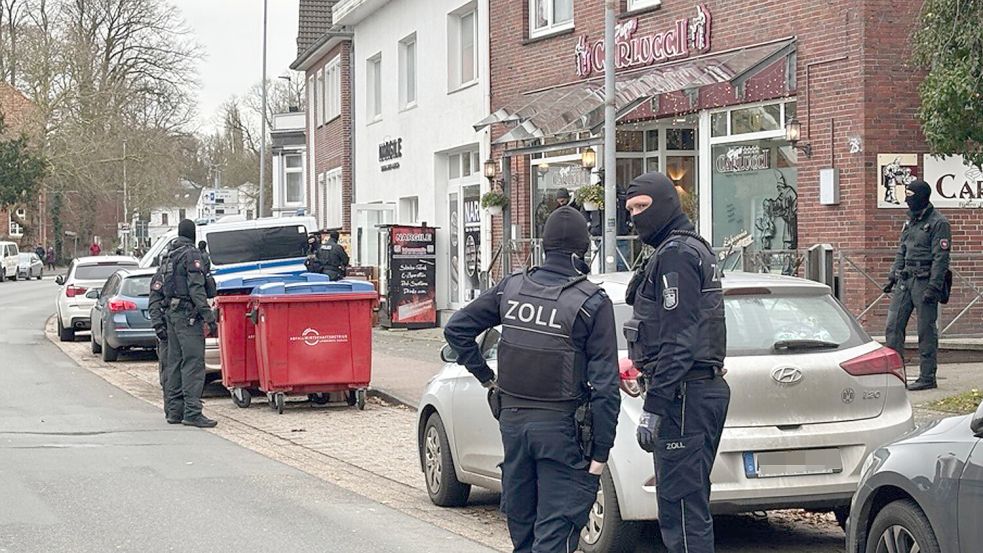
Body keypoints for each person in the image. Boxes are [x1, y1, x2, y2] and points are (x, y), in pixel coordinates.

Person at [444, 206, 621, 553]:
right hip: (562, 431)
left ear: (545, 245)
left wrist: (486, 378)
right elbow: (605, 387)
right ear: (583, 250)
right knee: (555, 536)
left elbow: (457, 330)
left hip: (513, 426)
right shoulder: (591, 303)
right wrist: (600, 453)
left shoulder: (511, 288)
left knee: (523, 536)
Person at [623, 172, 729, 553]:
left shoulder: (676, 256)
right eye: (630, 209)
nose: (635, 217)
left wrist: (655, 405)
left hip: (685, 395)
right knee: (687, 500)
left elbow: (680, 342)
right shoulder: (691, 248)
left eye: (642, 207)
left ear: (666, 203)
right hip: (696, 389)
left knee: (681, 509)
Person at [884, 179, 951, 391]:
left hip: (924, 280)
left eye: (911, 195)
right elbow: (902, 249)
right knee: (893, 327)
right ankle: (895, 376)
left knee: (926, 331)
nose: (907, 199)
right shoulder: (910, 221)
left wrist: (934, 287)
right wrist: (893, 275)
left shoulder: (939, 223)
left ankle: (927, 376)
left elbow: (941, 259)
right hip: (905, 279)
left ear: (922, 197)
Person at [161, 220, 218, 428]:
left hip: (172, 314)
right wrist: (209, 316)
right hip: (188, 315)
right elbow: (196, 289)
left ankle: (174, 411)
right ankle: (193, 412)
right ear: (193, 234)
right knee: (193, 363)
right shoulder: (190, 254)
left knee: (175, 362)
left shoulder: (169, 255)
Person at [148, 246, 178, 423]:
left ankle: (174, 410)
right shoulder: (163, 276)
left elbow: (153, 303)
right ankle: (172, 410)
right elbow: (154, 303)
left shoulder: (165, 275)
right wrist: (159, 326)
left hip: (168, 329)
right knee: (169, 371)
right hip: (167, 329)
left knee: (170, 370)